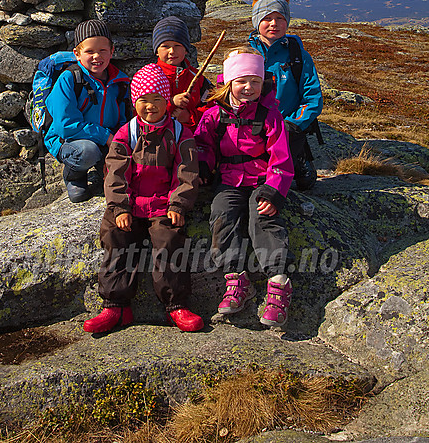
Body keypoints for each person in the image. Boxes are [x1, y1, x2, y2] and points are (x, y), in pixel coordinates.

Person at [83, 63, 204, 334]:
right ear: (134, 102)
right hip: (131, 202)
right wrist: (119, 207)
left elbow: (187, 171)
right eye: (143, 101)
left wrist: (178, 204)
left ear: (167, 101)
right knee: (116, 237)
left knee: (169, 241)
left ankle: (176, 306)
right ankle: (116, 306)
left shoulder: (180, 133)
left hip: (164, 203)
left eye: (158, 100)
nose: (150, 106)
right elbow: (115, 172)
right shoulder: (126, 133)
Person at [194, 49, 294, 328]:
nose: (248, 88)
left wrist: (275, 191)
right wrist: (202, 166)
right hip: (229, 178)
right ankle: (236, 279)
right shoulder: (214, 115)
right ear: (228, 82)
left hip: (263, 179)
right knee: (222, 214)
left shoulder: (271, 116)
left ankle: (278, 282)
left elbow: (281, 157)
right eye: (241, 81)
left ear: (263, 83)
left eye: (255, 81)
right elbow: (203, 144)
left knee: (263, 217)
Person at [45, 19, 130, 203]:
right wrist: (106, 136)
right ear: (77, 53)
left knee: (124, 183)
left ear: (112, 51)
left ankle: (102, 169)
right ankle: (74, 175)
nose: (96, 56)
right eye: (89, 51)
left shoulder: (119, 82)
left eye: (102, 50)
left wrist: (121, 139)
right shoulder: (69, 79)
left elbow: (123, 118)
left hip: (104, 140)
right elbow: (66, 126)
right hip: (70, 141)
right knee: (88, 151)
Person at [248, 0, 323, 191]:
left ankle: (298, 156)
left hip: (288, 125)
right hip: (254, 124)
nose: (274, 23)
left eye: (280, 18)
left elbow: (312, 95)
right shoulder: (247, 54)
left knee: (303, 184)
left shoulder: (299, 55)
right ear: (256, 22)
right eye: (267, 18)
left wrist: (294, 123)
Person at [152, 16, 211, 127]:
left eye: (177, 45)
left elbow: (212, 108)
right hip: (159, 139)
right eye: (165, 46)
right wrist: (171, 103)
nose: (172, 51)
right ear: (156, 51)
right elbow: (142, 109)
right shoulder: (151, 78)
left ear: (186, 49)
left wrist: (189, 116)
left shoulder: (198, 78)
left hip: (191, 139)